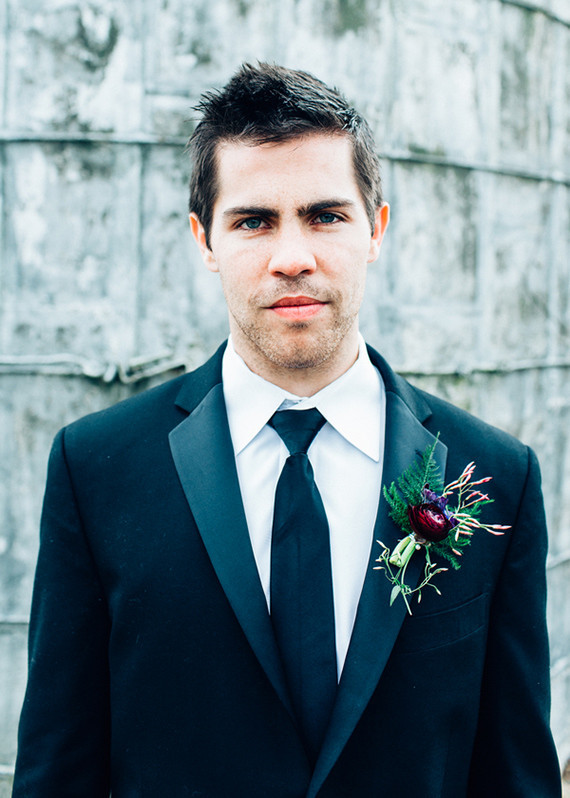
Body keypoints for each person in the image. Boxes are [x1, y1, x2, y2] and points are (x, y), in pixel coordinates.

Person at [13, 63, 561, 797]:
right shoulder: (96, 468)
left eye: (326, 215)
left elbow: (515, 773)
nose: (293, 257)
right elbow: (58, 768)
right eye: (254, 221)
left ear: (377, 229)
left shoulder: (496, 475)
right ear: (205, 241)